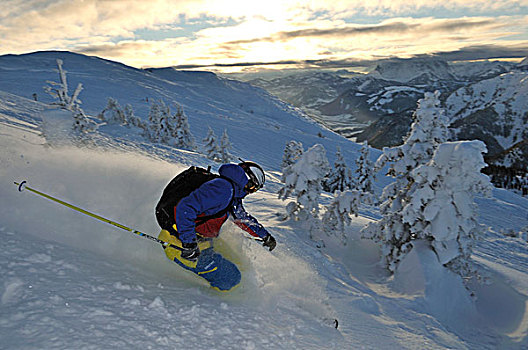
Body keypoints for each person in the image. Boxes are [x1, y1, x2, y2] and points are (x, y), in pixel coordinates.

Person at [156, 161, 276, 291]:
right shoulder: (222, 189)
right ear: (247, 179)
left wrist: (265, 236)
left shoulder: (231, 192)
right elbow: (186, 208)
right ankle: (213, 304)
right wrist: (189, 244)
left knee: (241, 265)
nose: (251, 192)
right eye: (253, 188)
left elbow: (242, 218)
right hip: (178, 241)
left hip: (200, 240)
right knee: (231, 279)